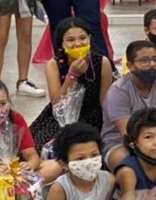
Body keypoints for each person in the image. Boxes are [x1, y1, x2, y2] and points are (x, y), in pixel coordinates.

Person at [30, 17, 114, 149]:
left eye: (82, 38)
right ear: (62, 44)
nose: (78, 44)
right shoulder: (54, 64)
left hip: (93, 118)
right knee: (43, 147)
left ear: (90, 39)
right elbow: (57, 103)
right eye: (70, 40)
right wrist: (72, 75)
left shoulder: (102, 62)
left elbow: (105, 102)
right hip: (61, 118)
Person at [101, 40, 156, 170]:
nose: (152, 65)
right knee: (130, 165)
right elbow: (128, 133)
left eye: (155, 60)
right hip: (123, 145)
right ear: (130, 65)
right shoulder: (119, 91)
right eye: (144, 61)